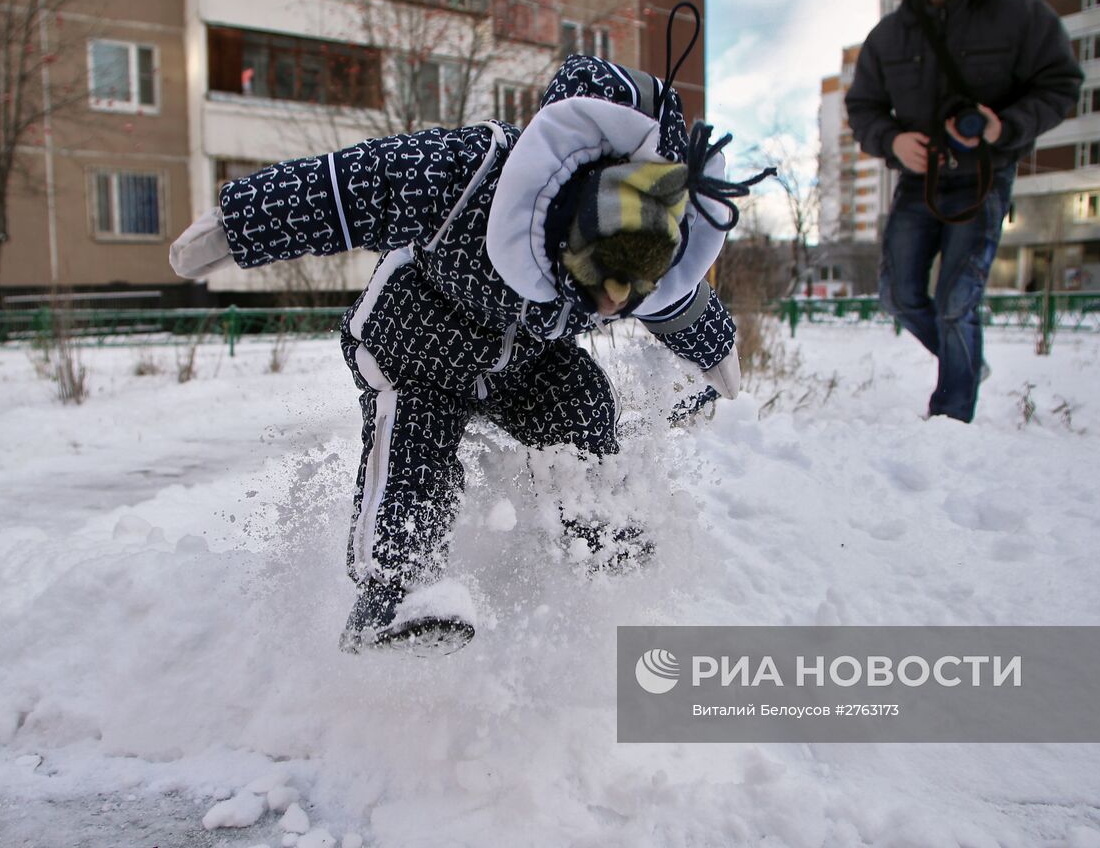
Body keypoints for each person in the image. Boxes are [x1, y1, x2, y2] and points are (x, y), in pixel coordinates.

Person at [169, 33, 773, 654]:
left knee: (583, 396)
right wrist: (240, 224)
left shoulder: (641, 262)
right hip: (417, 343)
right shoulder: (474, 172)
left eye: (635, 284)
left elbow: (684, 303)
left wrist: (719, 358)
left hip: (522, 361)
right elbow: (356, 186)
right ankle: (394, 593)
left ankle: (594, 527)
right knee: (418, 441)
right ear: (571, 218)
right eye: (604, 274)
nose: (615, 301)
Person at [846, 0, 1082, 422]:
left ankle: (950, 417)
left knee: (956, 301)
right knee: (898, 295)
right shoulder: (890, 35)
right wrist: (893, 141)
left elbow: (1062, 86)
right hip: (919, 180)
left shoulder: (1019, 16)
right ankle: (966, 362)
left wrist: (1004, 127)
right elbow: (862, 108)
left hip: (984, 178)